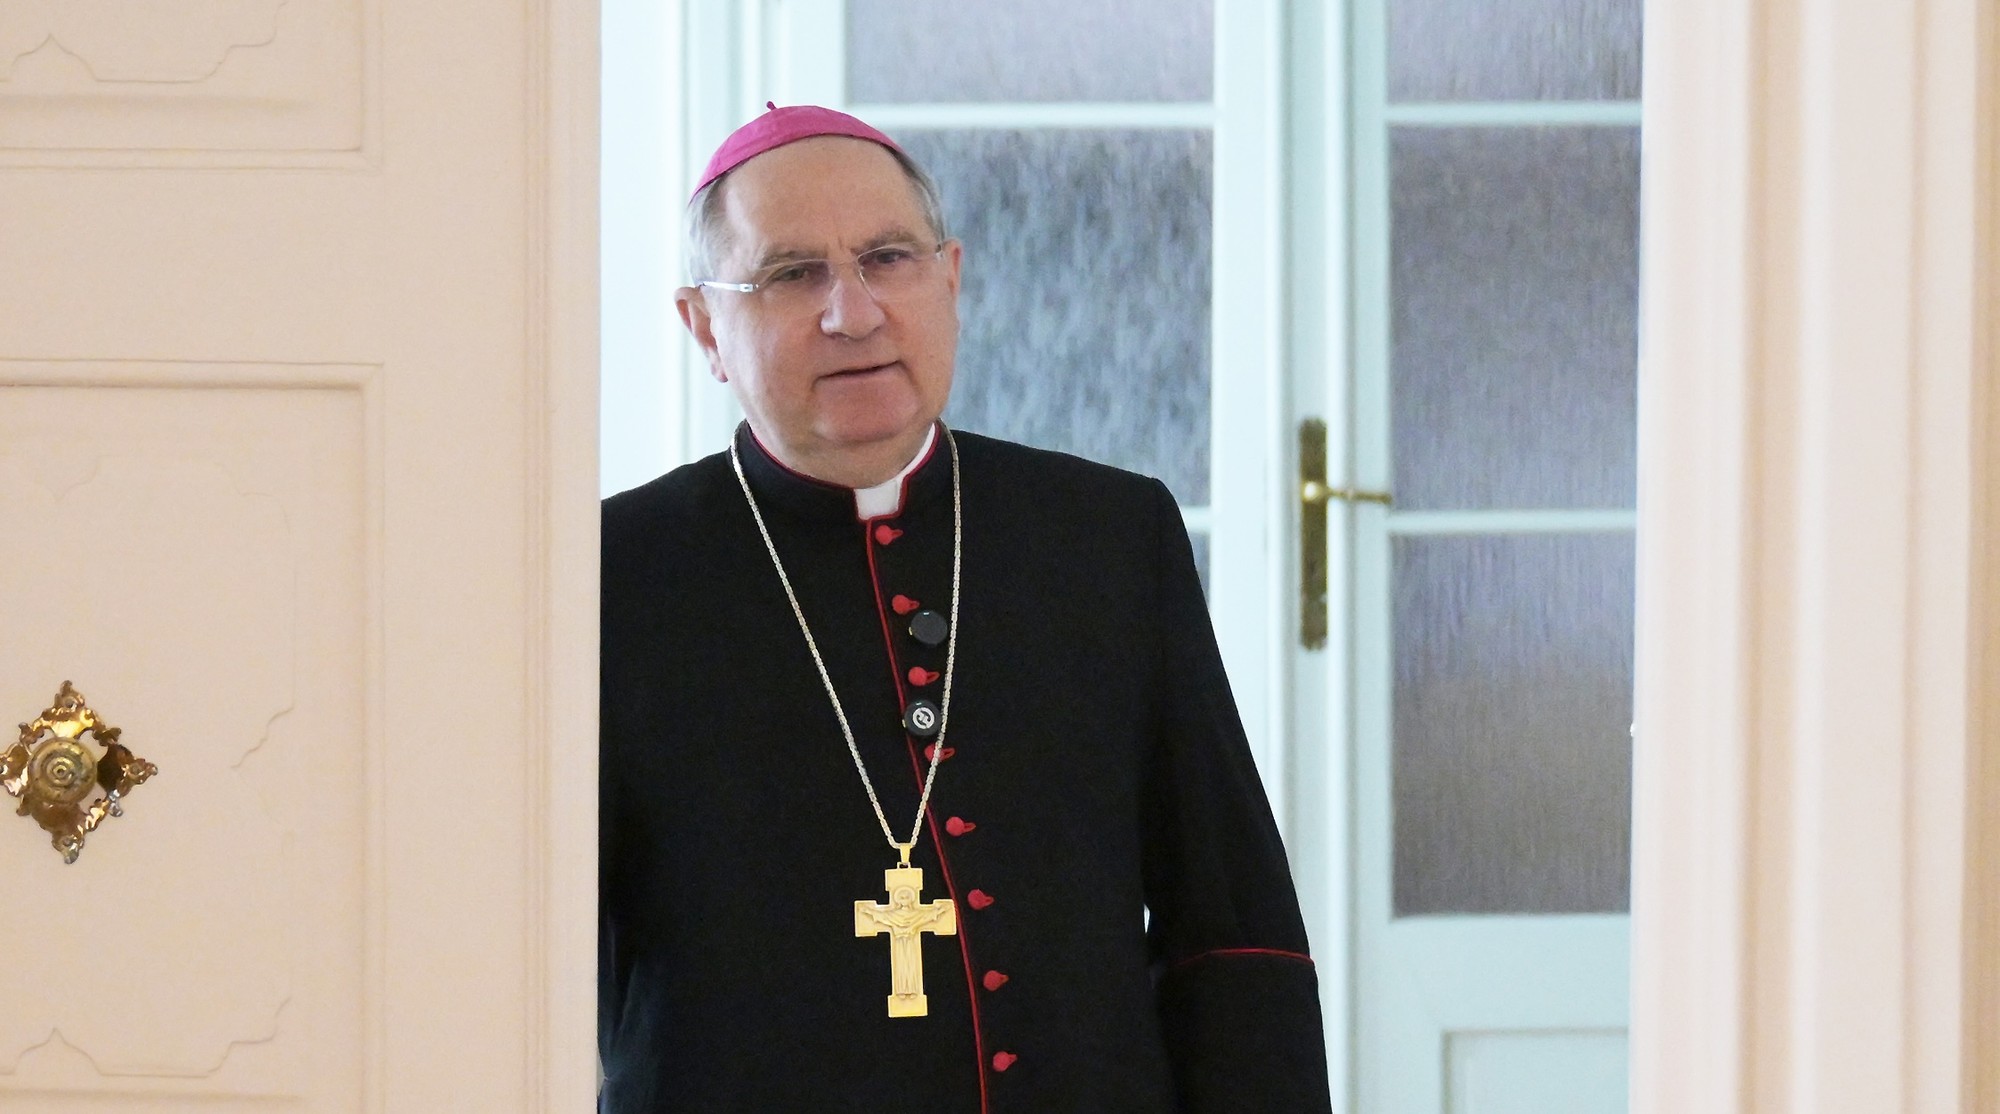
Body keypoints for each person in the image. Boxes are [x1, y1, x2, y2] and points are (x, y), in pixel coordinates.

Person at [599, 103, 1332, 1112]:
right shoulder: (609, 574)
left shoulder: (1108, 536)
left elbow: (1231, 928)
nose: (849, 311)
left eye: (886, 258)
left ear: (950, 278)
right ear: (702, 327)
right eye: (789, 274)